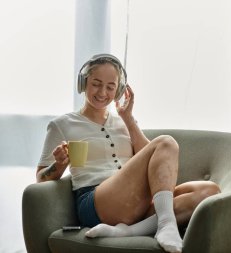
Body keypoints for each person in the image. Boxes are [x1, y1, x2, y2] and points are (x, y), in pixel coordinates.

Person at [36, 54, 221, 253]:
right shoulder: (62, 124)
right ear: (83, 83)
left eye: (110, 86)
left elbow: (152, 159)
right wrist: (59, 164)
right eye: (96, 84)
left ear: (119, 90)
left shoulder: (124, 122)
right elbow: (41, 178)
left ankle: (128, 231)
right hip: (96, 202)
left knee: (210, 192)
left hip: (135, 203)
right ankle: (166, 223)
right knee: (166, 142)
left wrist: (128, 119)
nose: (102, 92)